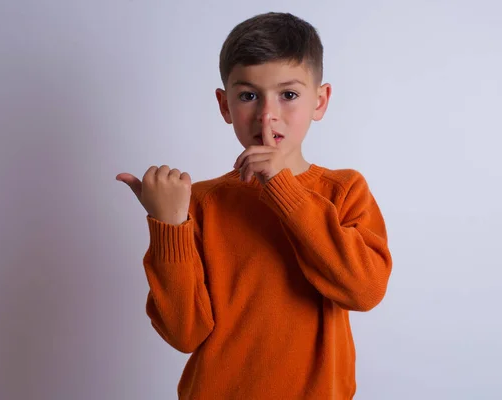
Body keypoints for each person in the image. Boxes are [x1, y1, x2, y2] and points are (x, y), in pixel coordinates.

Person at [116, 11, 392, 400]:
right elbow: (184, 334)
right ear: (225, 105)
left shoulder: (343, 190)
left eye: (289, 95)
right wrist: (169, 225)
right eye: (248, 96)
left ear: (321, 100)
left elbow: (364, 291)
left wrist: (282, 187)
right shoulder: (201, 202)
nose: (267, 114)